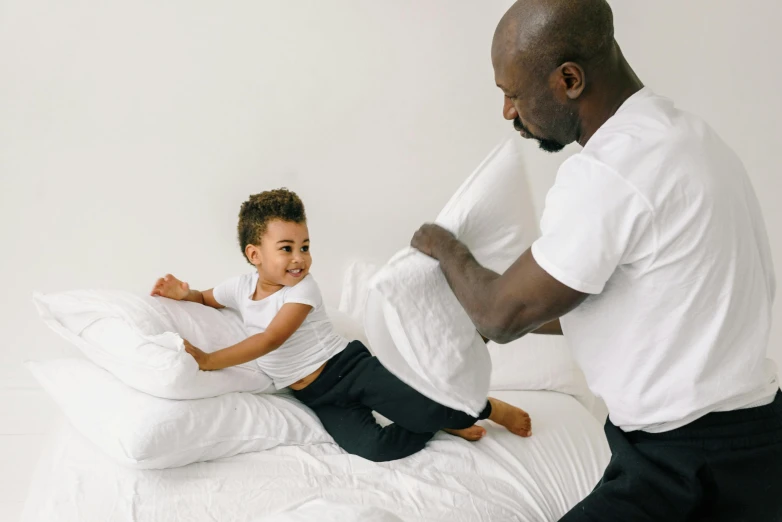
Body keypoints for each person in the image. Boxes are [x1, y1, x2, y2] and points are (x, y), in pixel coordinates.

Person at [410, 0, 781, 519]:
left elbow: (500, 315)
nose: (508, 113)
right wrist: (477, 312)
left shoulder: (610, 170)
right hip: (760, 446)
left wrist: (442, 244)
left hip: (683, 463)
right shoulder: (692, 139)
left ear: (568, 79)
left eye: (513, 94)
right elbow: (626, 296)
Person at [151, 188, 532, 463]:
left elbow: (271, 339)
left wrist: (209, 360)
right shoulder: (240, 288)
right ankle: (437, 422)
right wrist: (185, 294)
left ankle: (486, 408)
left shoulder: (303, 291)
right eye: (286, 248)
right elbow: (207, 298)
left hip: (350, 369)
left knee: (429, 407)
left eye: (305, 245)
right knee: (373, 449)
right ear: (255, 254)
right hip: (316, 395)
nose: (300, 258)